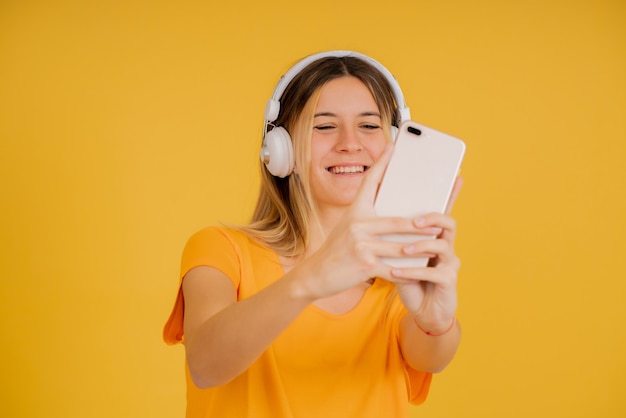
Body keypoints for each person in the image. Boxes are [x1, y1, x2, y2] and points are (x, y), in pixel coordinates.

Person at [163, 50, 463, 418]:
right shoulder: (221, 250)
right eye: (324, 126)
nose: (350, 143)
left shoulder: (397, 276)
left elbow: (431, 357)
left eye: (369, 126)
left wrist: (435, 321)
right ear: (281, 151)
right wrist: (312, 278)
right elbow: (206, 365)